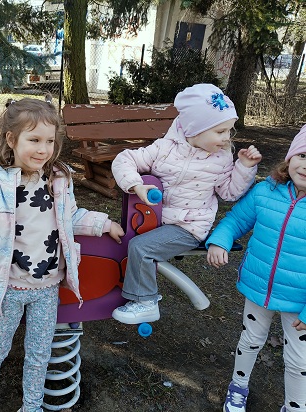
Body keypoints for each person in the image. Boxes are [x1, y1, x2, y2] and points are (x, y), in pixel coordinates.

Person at [0, 95, 125, 412]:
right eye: (34, 140)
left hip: (47, 288)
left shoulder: (58, 179)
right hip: (8, 288)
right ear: (12, 139)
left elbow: (70, 217)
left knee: (39, 353)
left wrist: (102, 224)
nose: (43, 149)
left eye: (49, 141)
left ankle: (32, 405)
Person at [110, 83, 262, 325]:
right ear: (194, 129)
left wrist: (244, 167)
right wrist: (135, 185)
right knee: (118, 240)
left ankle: (146, 303)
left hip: (189, 226)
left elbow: (229, 193)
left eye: (228, 131)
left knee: (141, 248)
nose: (226, 138)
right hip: (156, 221)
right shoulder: (164, 149)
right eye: (220, 131)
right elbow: (123, 160)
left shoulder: (221, 158)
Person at [206, 125, 306, 412]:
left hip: (300, 302)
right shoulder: (266, 191)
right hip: (258, 287)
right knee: (250, 340)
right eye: (302, 155)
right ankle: (238, 387)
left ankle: (295, 406)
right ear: (290, 157)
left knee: (299, 360)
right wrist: (220, 241)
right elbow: (236, 220)